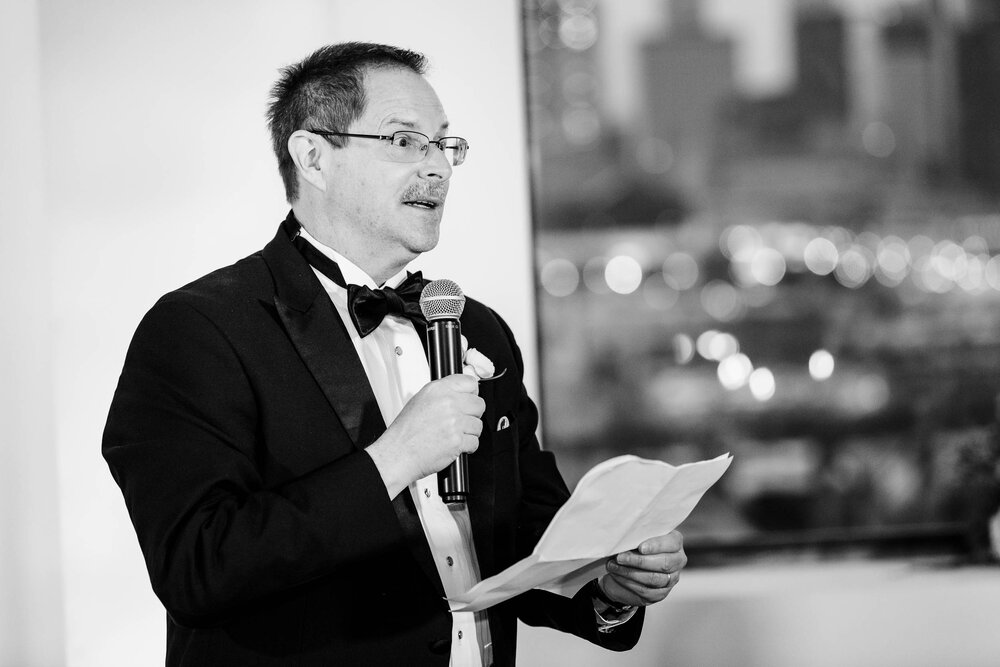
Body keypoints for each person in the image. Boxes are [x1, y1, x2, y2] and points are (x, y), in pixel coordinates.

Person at [103, 42, 687, 666]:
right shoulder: (199, 329)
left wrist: (610, 585)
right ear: (313, 157)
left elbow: (523, 537)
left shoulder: (477, 328)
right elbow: (200, 566)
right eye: (405, 141)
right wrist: (396, 457)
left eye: (444, 145)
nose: (437, 167)